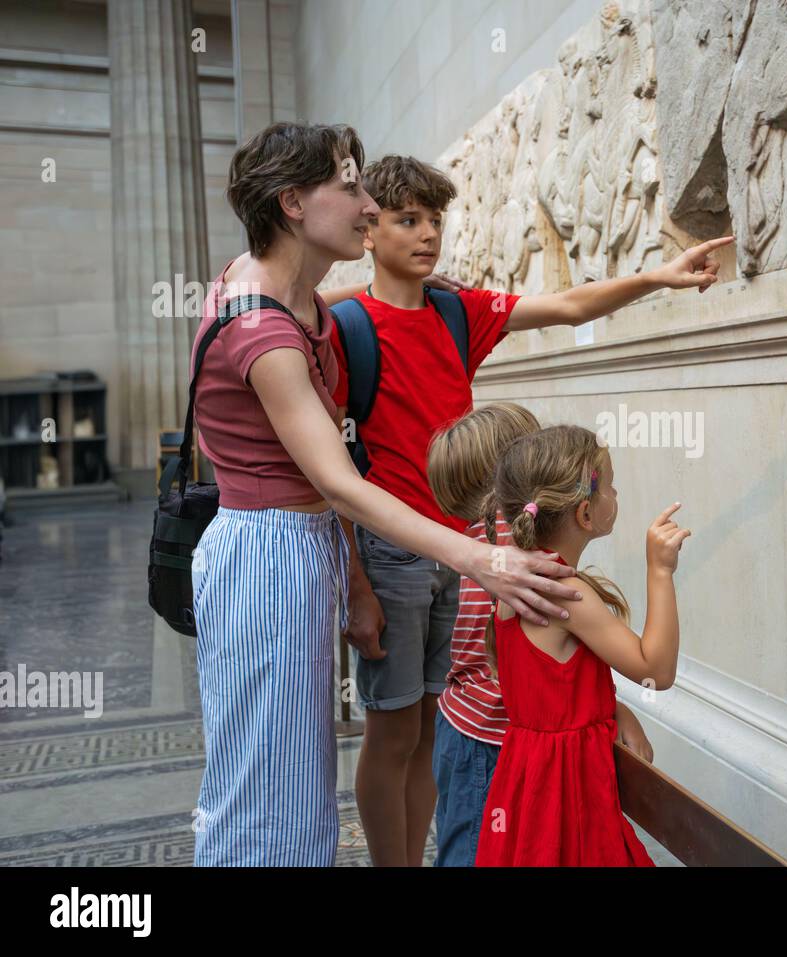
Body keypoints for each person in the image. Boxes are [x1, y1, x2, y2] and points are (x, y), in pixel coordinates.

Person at [317, 153, 730, 865]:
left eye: (435, 219)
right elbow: (334, 468)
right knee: (396, 730)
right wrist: (354, 578)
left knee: (455, 711)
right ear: (369, 227)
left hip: (483, 553)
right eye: (407, 219)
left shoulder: (456, 310)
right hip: (397, 552)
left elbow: (567, 306)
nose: (427, 234)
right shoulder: (349, 323)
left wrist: (658, 277)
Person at [188, 122, 582, 867]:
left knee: (297, 782)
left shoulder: (289, 291)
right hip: (267, 553)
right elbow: (337, 478)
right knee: (266, 787)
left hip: (300, 545)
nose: (369, 206)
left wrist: (353, 575)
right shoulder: (264, 329)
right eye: (351, 186)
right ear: (294, 203)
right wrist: (481, 556)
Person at [425, 402, 654, 866]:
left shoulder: (500, 549)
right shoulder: (510, 565)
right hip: (486, 740)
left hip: (480, 733)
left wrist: (610, 706)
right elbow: (515, 672)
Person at [472, 425, 689, 866]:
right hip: (568, 788)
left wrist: (612, 709)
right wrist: (660, 572)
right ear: (585, 514)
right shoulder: (567, 593)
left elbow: (549, 689)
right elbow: (656, 670)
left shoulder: (517, 581)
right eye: (609, 482)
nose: (616, 490)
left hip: (526, 780)